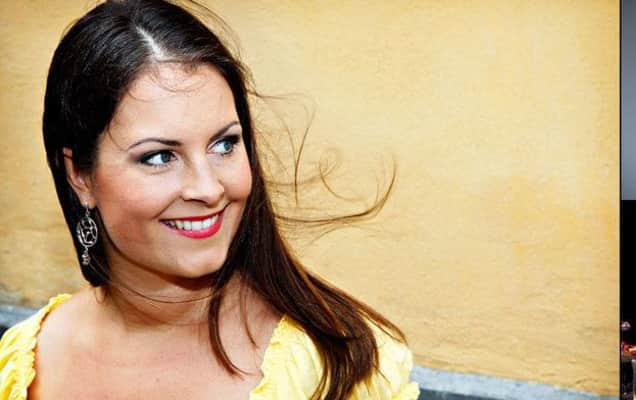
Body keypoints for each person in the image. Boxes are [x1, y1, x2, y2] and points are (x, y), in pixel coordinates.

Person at [0, 1, 419, 399]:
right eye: (159, 157)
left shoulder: (338, 364)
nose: (208, 188)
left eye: (224, 144)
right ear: (80, 176)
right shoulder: (24, 360)